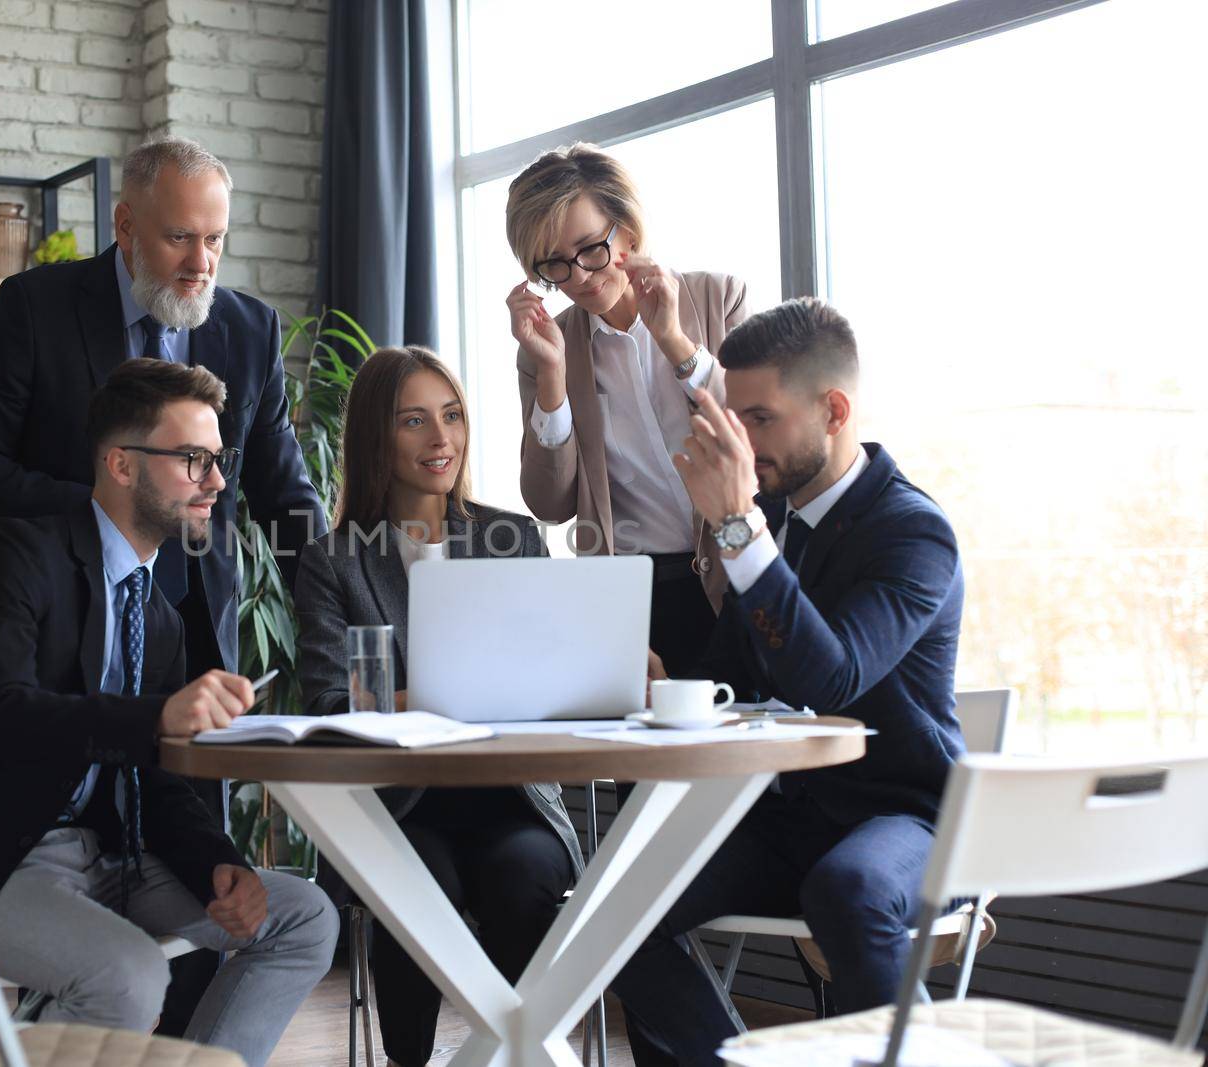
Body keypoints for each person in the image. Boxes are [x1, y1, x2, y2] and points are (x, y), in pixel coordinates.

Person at [0, 359, 338, 1067]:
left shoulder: (157, 613)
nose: (218, 481)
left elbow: (157, 778)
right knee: (133, 973)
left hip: (116, 856)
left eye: (218, 460)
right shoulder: (16, 557)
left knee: (303, 917)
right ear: (121, 464)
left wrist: (218, 864)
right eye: (194, 459)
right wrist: (156, 717)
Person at [608, 298, 966, 1066]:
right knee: (613, 899)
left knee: (846, 889)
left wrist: (738, 529)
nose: (740, 441)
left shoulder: (912, 532)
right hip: (794, 817)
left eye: (760, 419)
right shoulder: (773, 520)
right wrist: (661, 680)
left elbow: (827, 678)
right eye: (732, 418)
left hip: (907, 816)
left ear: (833, 409)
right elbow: (733, 682)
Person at [0, 135, 323, 679]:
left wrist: (347, 603)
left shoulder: (252, 330)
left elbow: (283, 493)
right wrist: (107, 518)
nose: (201, 263)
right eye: (180, 237)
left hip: (200, 628)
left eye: (215, 239)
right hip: (66, 614)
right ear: (125, 227)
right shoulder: (35, 307)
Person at [293, 347, 583, 1067]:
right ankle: (410, 1061)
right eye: (414, 421)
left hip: (509, 797)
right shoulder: (333, 559)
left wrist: (413, 693)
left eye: (451, 416)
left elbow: (548, 680)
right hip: (401, 804)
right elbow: (335, 701)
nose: (440, 438)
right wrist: (463, 687)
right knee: (413, 883)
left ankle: (517, 1053)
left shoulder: (511, 538)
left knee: (524, 875)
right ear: (374, 438)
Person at [504, 143, 751, 677]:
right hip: (637, 604)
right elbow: (550, 503)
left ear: (628, 232)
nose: (577, 278)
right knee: (644, 760)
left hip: (741, 574)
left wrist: (675, 343)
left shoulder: (717, 300)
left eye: (590, 249)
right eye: (554, 265)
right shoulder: (550, 346)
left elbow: (758, 441)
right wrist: (552, 375)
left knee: (756, 751)